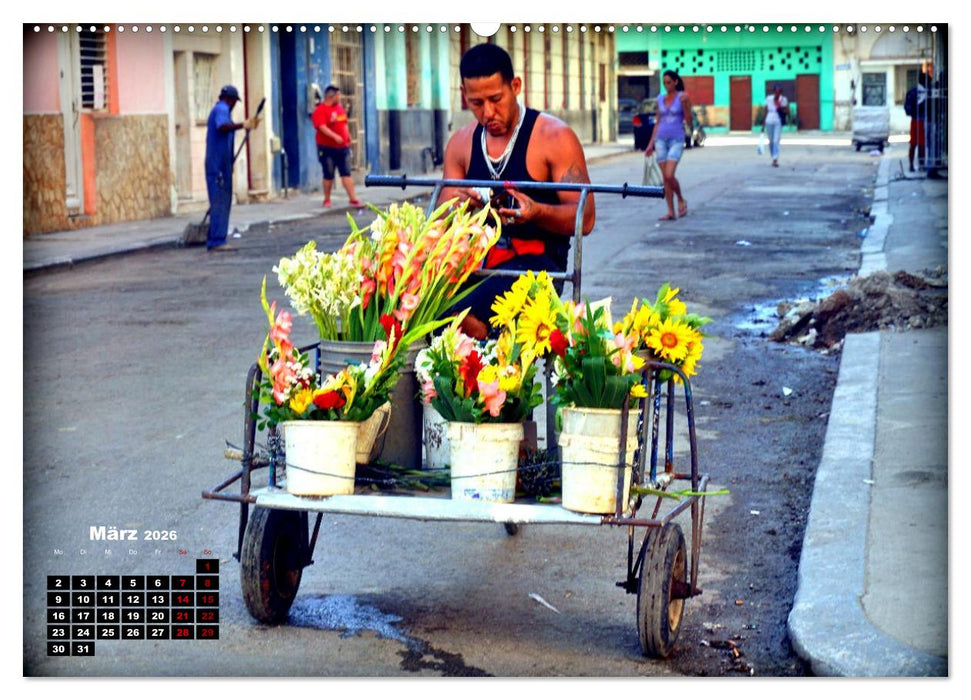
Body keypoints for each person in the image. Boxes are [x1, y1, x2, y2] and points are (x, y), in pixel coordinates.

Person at [439, 43, 595, 340]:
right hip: (477, 263)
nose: (488, 112)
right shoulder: (460, 144)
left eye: (496, 99)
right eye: (476, 103)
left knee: (456, 314)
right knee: (414, 300)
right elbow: (441, 219)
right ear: (463, 95)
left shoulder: (554, 137)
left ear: (515, 86)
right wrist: (460, 207)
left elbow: (585, 219)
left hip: (538, 269)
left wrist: (538, 213)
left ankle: (485, 357)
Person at [205, 85, 259, 251]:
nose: (235, 104)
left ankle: (216, 236)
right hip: (217, 165)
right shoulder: (221, 109)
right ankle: (216, 240)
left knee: (222, 200)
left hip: (223, 163)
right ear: (231, 100)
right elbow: (222, 127)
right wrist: (243, 125)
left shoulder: (222, 110)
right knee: (220, 201)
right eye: (235, 101)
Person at [644, 70, 692, 220]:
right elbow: (658, 122)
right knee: (665, 179)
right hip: (660, 140)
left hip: (676, 139)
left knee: (669, 174)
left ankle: (681, 199)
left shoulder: (682, 97)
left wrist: (685, 105)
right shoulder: (660, 98)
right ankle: (671, 211)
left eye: (669, 82)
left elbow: (689, 121)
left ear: (676, 82)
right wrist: (650, 144)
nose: (666, 85)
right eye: (664, 83)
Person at [311, 85, 362, 208]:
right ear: (331, 96)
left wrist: (347, 136)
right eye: (338, 95)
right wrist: (335, 137)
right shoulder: (320, 111)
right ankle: (327, 199)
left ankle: (353, 198)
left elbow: (343, 124)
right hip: (326, 148)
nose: (340, 98)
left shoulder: (339, 109)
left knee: (346, 173)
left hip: (342, 147)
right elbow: (322, 127)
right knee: (328, 174)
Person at [904, 73, 928, 172]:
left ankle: (911, 165)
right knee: (921, 144)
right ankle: (921, 165)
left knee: (913, 144)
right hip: (923, 120)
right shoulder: (926, 92)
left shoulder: (912, 91)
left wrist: (912, 113)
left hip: (914, 120)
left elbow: (907, 107)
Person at [762, 84, 788, 168]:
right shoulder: (769, 98)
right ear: (773, 91)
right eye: (776, 91)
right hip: (769, 120)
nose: (778, 93)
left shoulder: (783, 100)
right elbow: (765, 110)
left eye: (779, 91)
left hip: (778, 121)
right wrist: (763, 122)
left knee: (776, 140)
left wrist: (780, 106)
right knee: (771, 140)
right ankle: (773, 154)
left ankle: (775, 159)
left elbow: (786, 111)